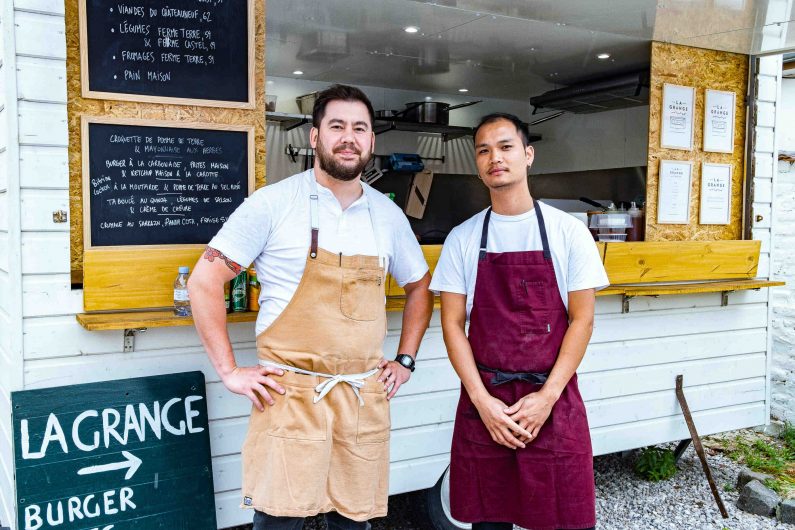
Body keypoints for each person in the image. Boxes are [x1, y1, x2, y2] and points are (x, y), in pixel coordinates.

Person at [188, 84, 433, 530]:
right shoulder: (273, 203)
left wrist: (406, 360)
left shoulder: (388, 215)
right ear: (315, 137)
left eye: (360, 128)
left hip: (361, 396)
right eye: (336, 125)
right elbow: (204, 281)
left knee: (352, 523)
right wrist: (229, 371)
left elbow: (420, 287)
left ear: (372, 142)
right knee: (279, 521)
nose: (348, 137)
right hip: (290, 397)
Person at [429, 112, 608, 530]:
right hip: (486, 402)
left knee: (565, 519)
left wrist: (546, 398)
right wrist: (482, 402)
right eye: (484, 150)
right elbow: (453, 324)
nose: (496, 158)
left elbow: (582, 321)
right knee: (489, 521)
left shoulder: (569, 233)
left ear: (528, 155)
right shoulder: (463, 237)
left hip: (552, 398)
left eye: (506, 147)